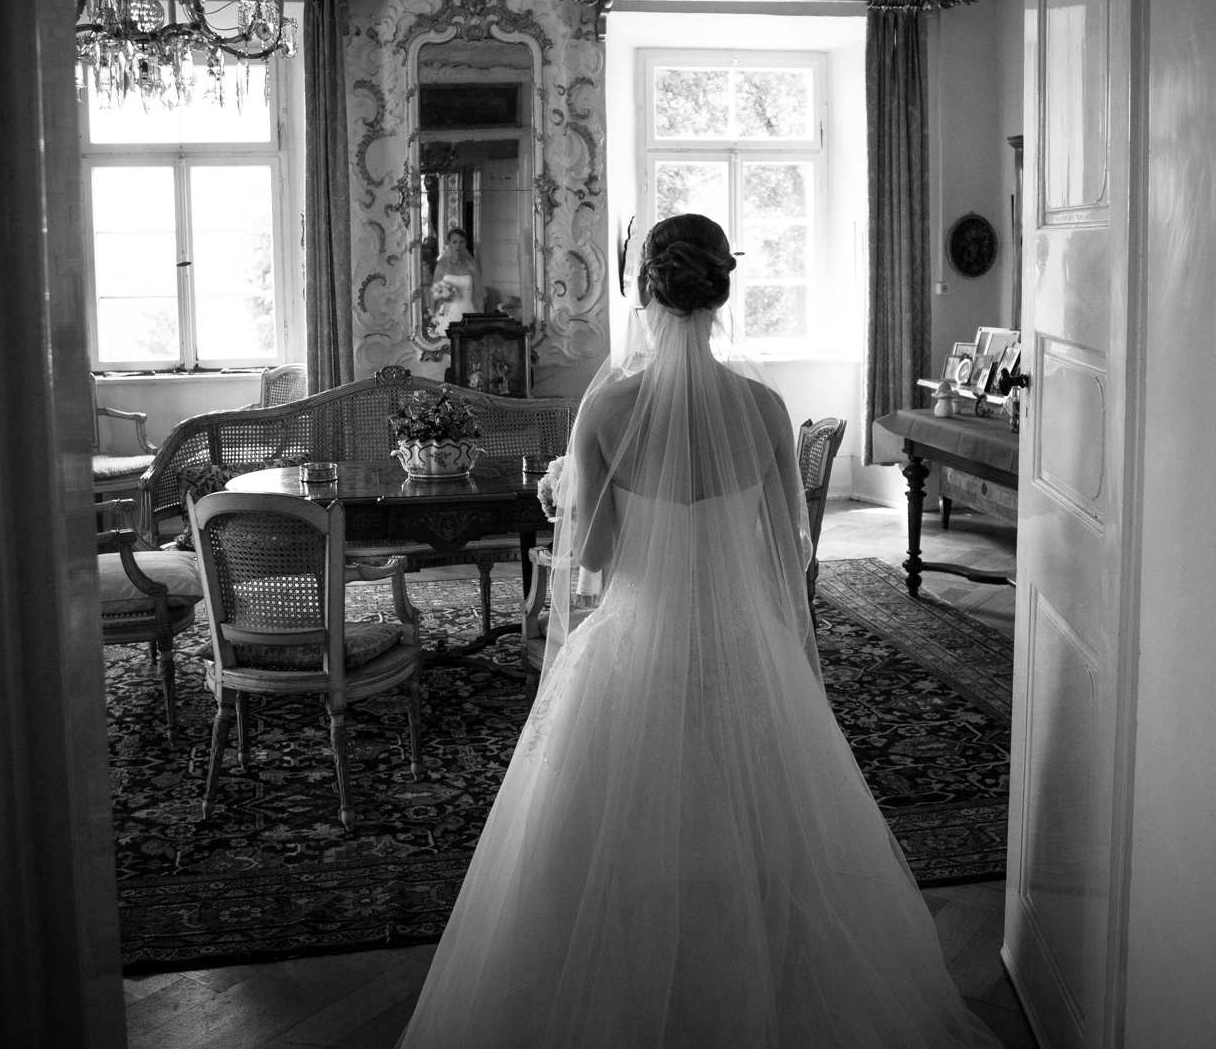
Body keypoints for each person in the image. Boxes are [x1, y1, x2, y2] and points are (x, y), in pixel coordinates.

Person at [398, 215, 995, 1048]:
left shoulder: (607, 409)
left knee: (601, 839)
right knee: (761, 828)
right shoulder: (765, 408)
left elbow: (597, 558)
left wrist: (566, 496)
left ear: (645, 290)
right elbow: (789, 556)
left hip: (636, 649)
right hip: (744, 647)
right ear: (721, 290)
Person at [431, 227, 480, 327]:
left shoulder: (472, 266)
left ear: (465, 243)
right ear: (449, 243)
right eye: (454, 242)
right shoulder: (442, 266)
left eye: (461, 242)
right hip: (447, 311)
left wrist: (480, 316)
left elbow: (478, 294)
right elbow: (434, 292)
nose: (458, 245)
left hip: (468, 311)